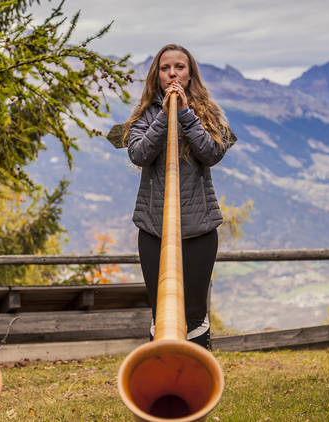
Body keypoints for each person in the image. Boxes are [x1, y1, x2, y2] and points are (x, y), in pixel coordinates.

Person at [124, 44, 237, 349]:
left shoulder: (208, 113)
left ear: (190, 74)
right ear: (156, 75)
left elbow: (212, 153)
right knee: (161, 311)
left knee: (194, 312)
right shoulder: (144, 114)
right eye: (165, 68)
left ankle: (199, 377)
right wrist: (163, 117)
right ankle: (161, 373)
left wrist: (185, 113)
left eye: (179, 67)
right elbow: (139, 153)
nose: (172, 73)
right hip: (154, 229)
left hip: (198, 229)